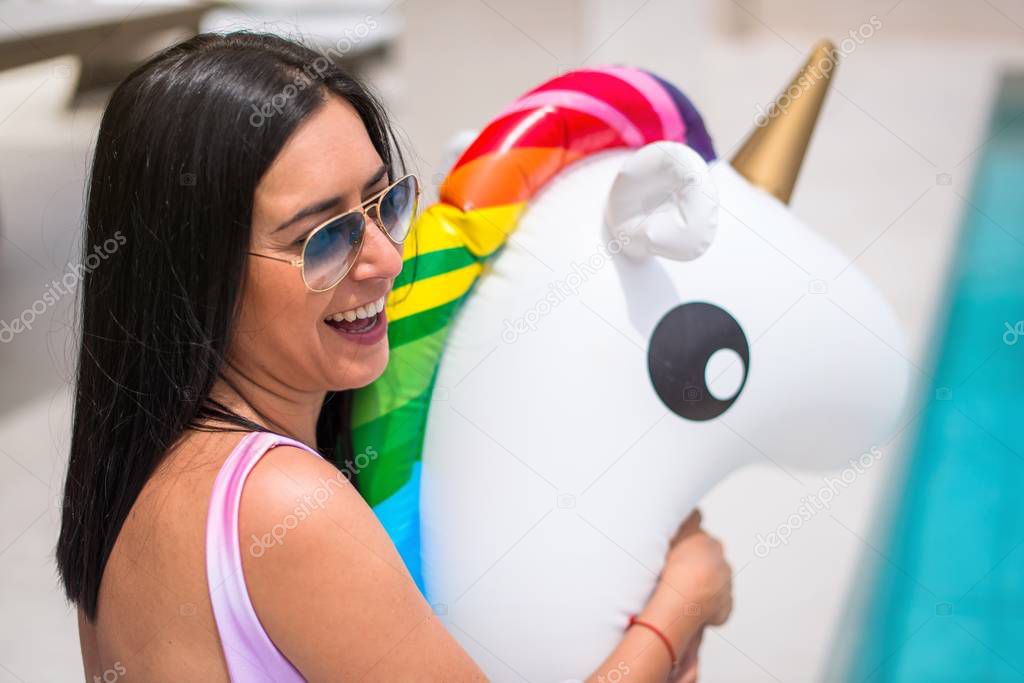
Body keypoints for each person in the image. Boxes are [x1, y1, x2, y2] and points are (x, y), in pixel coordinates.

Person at [55, 32, 733, 682]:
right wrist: (678, 608)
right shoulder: (288, 509)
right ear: (195, 270)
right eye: (325, 236)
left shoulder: (126, 482)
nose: (384, 257)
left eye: (385, 202)